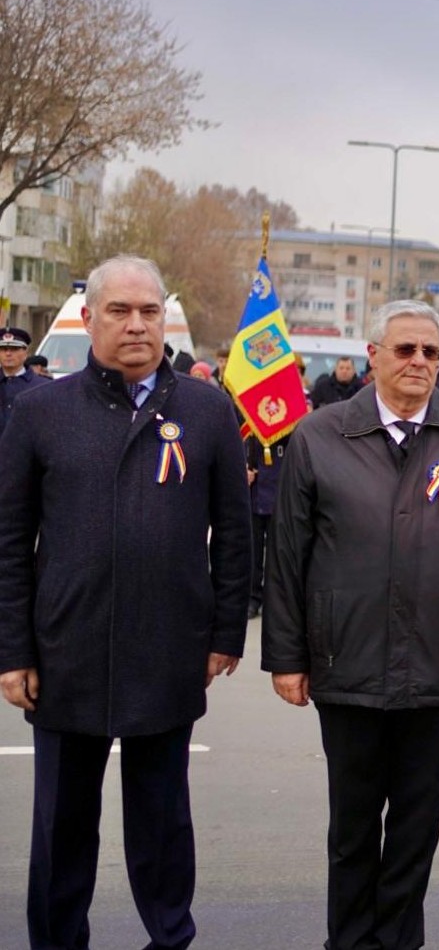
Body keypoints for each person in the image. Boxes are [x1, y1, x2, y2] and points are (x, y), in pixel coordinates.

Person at [0, 254, 253, 949]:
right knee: (61, 826)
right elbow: (10, 536)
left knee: (163, 823)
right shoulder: (40, 409)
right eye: (120, 310)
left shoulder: (204, 407)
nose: (137, 324)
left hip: (168, 650)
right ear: (89, 320)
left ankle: (169, 936)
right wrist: (13, 649)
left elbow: (235, 532)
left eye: (149, 311)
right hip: (65, 652)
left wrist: (225, 630)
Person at [263, 299, 439, 950]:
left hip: (438, 662)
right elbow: (289, 554)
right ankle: (347, 941)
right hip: (346, 663)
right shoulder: (320, 435)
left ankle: (400, 941)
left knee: (415, 828)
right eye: (404, 349)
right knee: (351, 830)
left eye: (430, 352)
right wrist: (286, 655)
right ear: (373, 355)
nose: (418, 363)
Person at [244, 434, 289, 620]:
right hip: (253, 497)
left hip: (280, 497)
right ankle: (253, 598)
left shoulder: (289, 429)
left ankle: (275, 600)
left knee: (278, 554)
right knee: (253, 552)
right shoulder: (249, 428)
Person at [0, 326, 42, 438]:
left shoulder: (42, 386)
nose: (8, 354)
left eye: (14, 349)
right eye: (3, 349)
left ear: (25, 353)